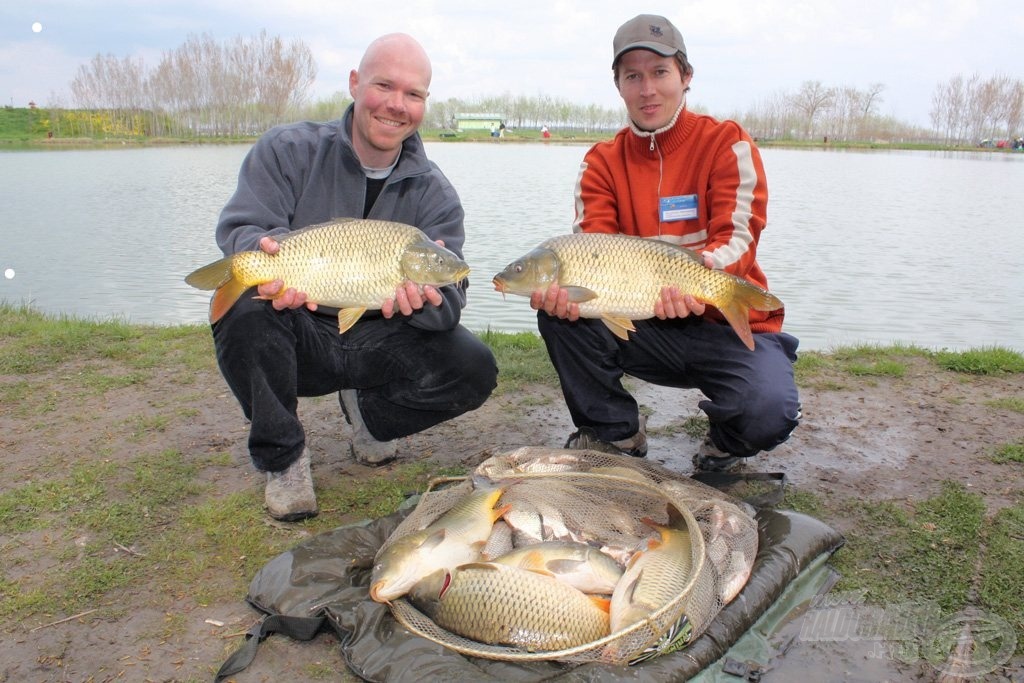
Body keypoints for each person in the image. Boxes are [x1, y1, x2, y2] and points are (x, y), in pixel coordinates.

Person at [210, 33, 497, 521]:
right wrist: (271, 254)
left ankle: (369, 416)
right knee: (240, 307)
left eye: (413, 94)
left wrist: (426, 300)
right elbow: (243, 227)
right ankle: (284, 458)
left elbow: (454, 294)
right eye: (384, 85)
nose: (396, 105)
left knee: (474, 367)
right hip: (297, 323)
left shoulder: (436, 194)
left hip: (379, 335)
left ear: (425, 103)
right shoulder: (288, 148)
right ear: (354, 83)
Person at [530, 14, 800, 472]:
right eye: (632, 76)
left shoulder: (725, 142)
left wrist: (694, 280)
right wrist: (566, 294)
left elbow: (738, 239)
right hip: (644, 324)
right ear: (618, 85)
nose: (647, 89)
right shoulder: (601, 162)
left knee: (767, 409)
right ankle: (616, 435)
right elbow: (593, 251)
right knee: (561, 313)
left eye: (660, 72)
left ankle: (726, 441)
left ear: (685, 76)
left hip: (720, 319)